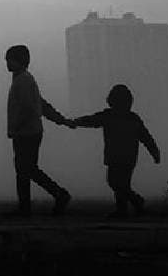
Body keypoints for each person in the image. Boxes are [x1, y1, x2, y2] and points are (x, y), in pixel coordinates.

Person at [69, 84, 161, 219]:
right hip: (129, 157)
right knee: (122, 183)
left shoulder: (109, 116)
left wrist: (75, 122)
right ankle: (126, 208)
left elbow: (91, 120)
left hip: (116, 156)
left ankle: (132, 203)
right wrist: (154, 152)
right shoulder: (132, 118)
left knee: (115, 182)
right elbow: (146, 138)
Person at [4, 44, 72, 216]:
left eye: (10, 60)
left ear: (19, 61)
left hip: (26, 132)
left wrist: (16, 127)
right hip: (29, 131)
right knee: (27, 169)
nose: (7, 63)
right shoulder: (24, 79)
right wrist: (60, 120)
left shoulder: (23, 81)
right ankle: (33, 204)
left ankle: (50, 197)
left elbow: (29, 108)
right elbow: (41, 105)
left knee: (25, 170)